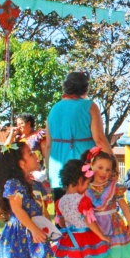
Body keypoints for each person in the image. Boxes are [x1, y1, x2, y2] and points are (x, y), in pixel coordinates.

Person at [46, 72, 112, 206]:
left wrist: (49, 171)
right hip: (83, 169)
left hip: (57, 171)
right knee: (87, 214)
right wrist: (112, 162)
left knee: (62, 214)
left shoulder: (54, 109)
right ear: (86, 87)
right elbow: (99, 139)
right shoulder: (89, 106)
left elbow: (48, 145)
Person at [54, 159, 110, 258]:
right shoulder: (82, 200)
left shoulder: (60, 201)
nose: (87, 188)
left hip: (70, 239)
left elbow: (61, 221)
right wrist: (102, 235)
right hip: (83, 239)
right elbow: (90, 221)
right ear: (79, 180)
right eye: (86, 184)